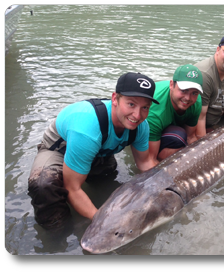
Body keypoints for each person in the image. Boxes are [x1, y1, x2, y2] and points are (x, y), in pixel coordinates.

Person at [28, 72, 159, 229]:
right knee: (44, 186)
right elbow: (73, 188)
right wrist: (106, 225)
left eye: (145, 107)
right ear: (115, 99)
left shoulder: (141, 126)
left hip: (98, 150)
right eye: (131, 104)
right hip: (59, 149)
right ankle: (59, 234)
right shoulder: (87, 129)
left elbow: (145, 163)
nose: (137, 115)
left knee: (106, 179)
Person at [147, 64, 203, 162]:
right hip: (151, 127)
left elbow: (191, 137)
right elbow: (150, 160)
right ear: (171, 85)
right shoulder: (155, 110)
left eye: (194, 93)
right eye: (184, 90)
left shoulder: (197, 101)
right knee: (178, 136)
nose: (188, 98)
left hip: (168, 124)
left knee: (186, 142)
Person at [194, 33, 224, 137]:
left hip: (216, 121)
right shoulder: (205, 75)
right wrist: (205, 146)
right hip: (195, 124)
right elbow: (199, 117)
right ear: (218, 50)